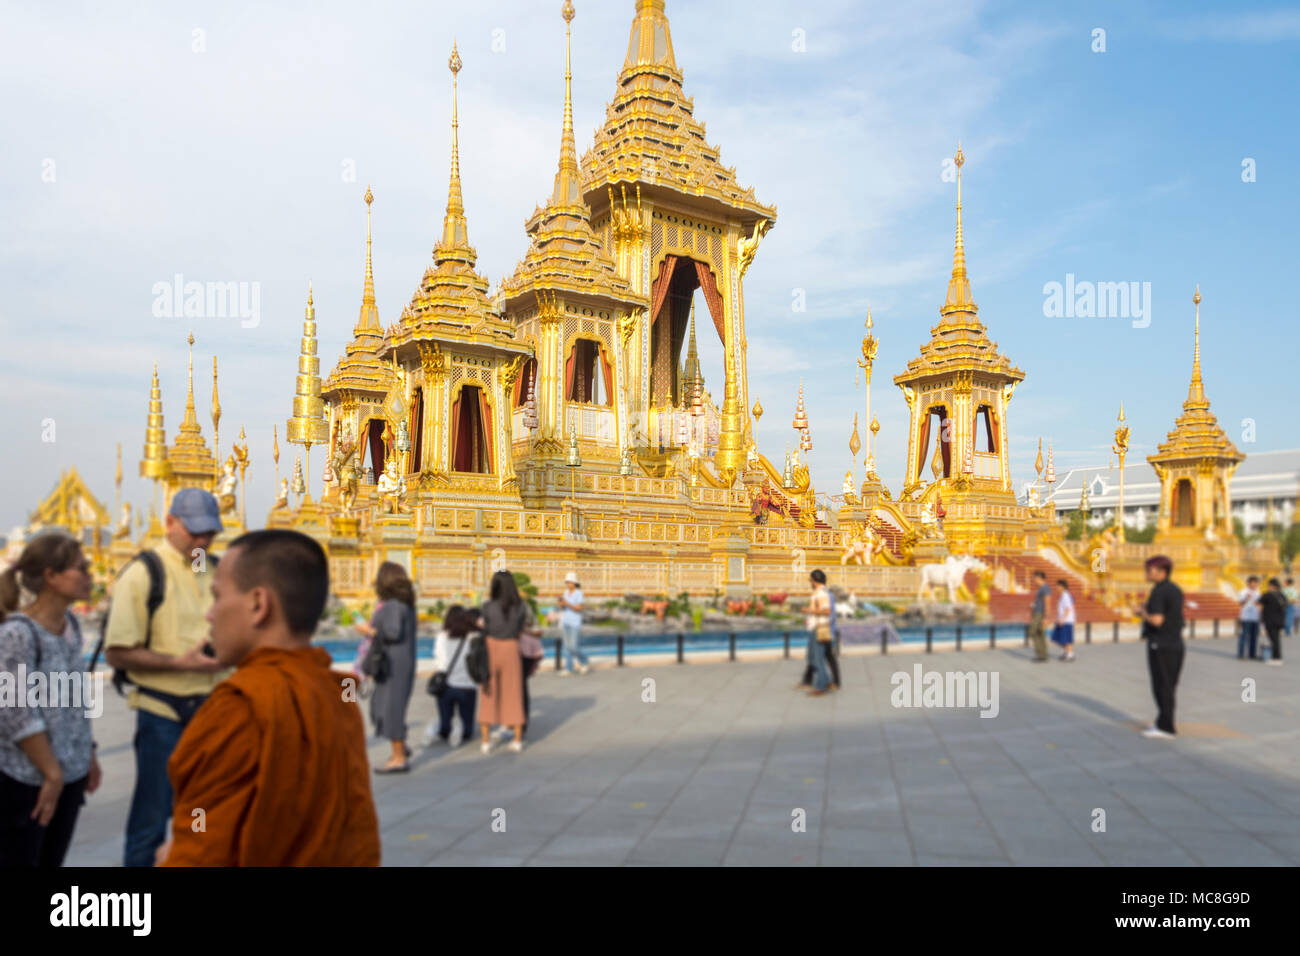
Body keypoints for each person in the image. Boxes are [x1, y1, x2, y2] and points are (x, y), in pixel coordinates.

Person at [159, 530, 380, 866]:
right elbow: (358, 839)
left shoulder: (238, 707)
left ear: (259, 604)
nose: (210, 614)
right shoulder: (341, 699)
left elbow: (199, 854)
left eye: (217, 596)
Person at [103, 488, 226, 868]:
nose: (203, 541)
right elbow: (117, 651)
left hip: (212, 711)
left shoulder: (209, 565)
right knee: (152, 818)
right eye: (195, 533)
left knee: (206, 819)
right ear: (170, 523)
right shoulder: (144, 572)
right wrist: (181, 663)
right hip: (163, 710)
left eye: (210, 533)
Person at [0, 533, 102, 867]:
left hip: (68, 776)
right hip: (28, 780)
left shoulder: (71, 625)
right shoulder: (18, 633)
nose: (90, 575)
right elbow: (17, 713)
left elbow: (76, 697)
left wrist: (88, 751)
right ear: (51, 577)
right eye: (80, 568)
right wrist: (51, 774)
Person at [365, 562, 417, 773]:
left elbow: (393, 633)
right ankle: (401, 747)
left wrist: (369, 632)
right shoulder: (402, 605)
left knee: (391, 709)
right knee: (380, 707)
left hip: (395, 665)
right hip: (397, 663)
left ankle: (398, 758)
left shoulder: (394, 606)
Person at [476, 571, 530, 754]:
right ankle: (517, 739)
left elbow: (485, 627)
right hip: (511, 648)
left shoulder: (488, 606)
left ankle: (485, 740)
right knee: (514, 692)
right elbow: (521, 628)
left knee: (488, 692)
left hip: (491, 647)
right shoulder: (520, 606)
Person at [1135, 555, 1184, 739]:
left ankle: (1166, 727)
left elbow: (1157, 620)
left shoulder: (1159, 591)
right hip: (1174, 643)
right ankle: (1163, 721)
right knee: (1168, 686)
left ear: (1162, 572)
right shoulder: (1174, 589)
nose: (1147, 573)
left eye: (1150, 570)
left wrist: (1142, 612)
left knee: (1162, 686)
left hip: (1161, 644)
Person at [426, 605, 477, 746]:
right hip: (467, 685)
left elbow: (439, 660)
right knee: (468, 731)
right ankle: (461, 729)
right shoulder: (471, 637)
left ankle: (440, 729)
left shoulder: (442, 636)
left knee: (445, 724)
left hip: (445, 685)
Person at [803, 570, 833, 697]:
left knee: (817, 659)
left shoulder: (821, 593)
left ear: (814, 581)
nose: (810, 582)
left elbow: (827, 611)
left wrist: (809, 610)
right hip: (815, 627)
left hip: (818, 629)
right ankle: (826, 681)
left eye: (810, 580)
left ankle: (822, 686)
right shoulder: (819, 592)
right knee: (813, 657)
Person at [557, 571, 589, 676]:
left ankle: (584, 661)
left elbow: (579, 608)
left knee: (574, 646)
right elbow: (563, 607)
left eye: (569, 582)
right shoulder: (565, 593)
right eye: (567, 582)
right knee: (566, 647)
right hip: (566, 621)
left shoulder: (579, 593)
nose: (568, 584)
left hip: (575, 623)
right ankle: (569, 668)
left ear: (574, 583)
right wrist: (561, 603)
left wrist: (567, 603)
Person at [1257, 578, 1286, 666]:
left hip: (1270, 620)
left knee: (1273, 640)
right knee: (1276, 639)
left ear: (1272, 586)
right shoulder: (1281, 595)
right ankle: (1277, 657)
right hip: (1279, 620)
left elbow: (1258, 604)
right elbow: (1285, 606)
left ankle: (1276, 658)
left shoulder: (1267, 595)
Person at [1027, 570, 1050, 662]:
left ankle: (1042, 654)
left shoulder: (1045, 588)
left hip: (1040, 614)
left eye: (1035, 578)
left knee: (1033, 631)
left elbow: (1048, 603)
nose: (1034, 580)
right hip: (1037, 613)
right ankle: (1041, 655)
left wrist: (1046, 617)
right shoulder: (1041, 588)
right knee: (1039, 633)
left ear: (1039, 578)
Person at [1237, 575, 1261, 660]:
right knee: (1244, 636)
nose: (1254, 585)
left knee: (1254, 636)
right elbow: (1240, 604)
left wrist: (1256, 603)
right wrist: (1246, 599)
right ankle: (1241, 654)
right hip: (1246, 617)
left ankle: (1252, 654)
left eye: (1255, 583)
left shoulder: (1258, 592)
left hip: (1255, 617)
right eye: (1252, 583)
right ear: (1249, 583)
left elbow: (1259, 604)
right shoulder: (1243, 592)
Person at [1051, 579, 1076, 662]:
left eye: (1057, 586)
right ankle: (1066, 652)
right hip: (1063, 620)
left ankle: (1070, 654)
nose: (1056, 587)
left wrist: (1062, 619)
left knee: (1066, 639)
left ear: (1062, 586)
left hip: (1066, 621)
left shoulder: (1065, 596)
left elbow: (1068, 609)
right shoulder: (1063, 595)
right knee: (1059, 638)